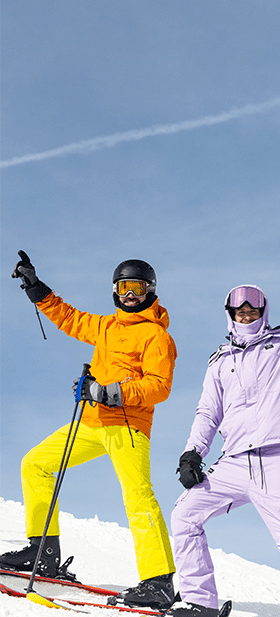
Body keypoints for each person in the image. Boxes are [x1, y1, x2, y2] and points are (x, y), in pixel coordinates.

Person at [169, 218, 280, 617]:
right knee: (184, 514)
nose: (246, 314)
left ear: (263, 312)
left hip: (275, 458)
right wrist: (192, 453)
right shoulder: (219, 361)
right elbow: (207, 412)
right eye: (239, 309)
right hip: (232, 461)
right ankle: (199, 602)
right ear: (229, 313)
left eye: (253, 309)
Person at [0, 252, 177, 611]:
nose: (130, 295)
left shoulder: (156, 336)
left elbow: (160, 386)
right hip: (90, 423)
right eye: (123, 287)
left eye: (137, 288)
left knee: (138, 497)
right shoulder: (106, 326)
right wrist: (36, 287)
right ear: (115, 291)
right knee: (34, 464)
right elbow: (69, 318)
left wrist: (112, 391)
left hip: (126, 427)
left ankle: (159, 582)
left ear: (150, 292)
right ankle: (43, 552)